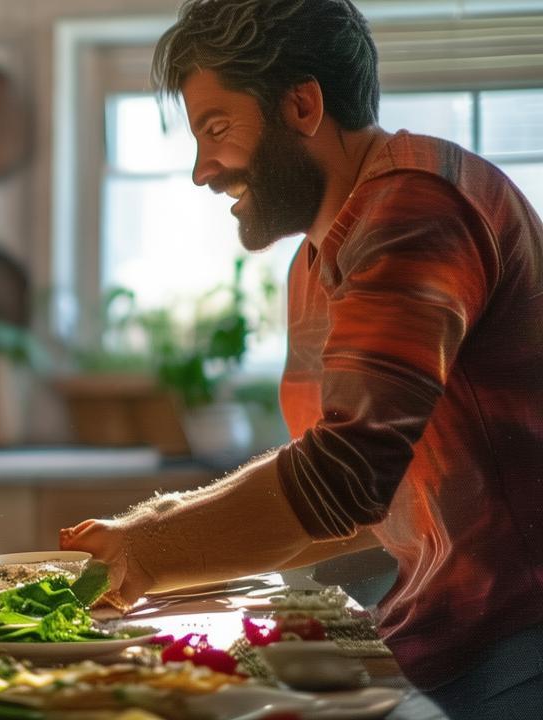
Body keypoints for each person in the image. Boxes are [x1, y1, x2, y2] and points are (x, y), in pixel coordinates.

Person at [59, 0, 543, 714]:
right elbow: (348, 507)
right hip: (446, 642)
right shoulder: (317, 263)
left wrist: (151, 542)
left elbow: (343, 477)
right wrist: (148, 549)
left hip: (519, 639)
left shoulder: (416, 204)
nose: (201, 171)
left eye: (216, 128)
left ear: (302, 106)